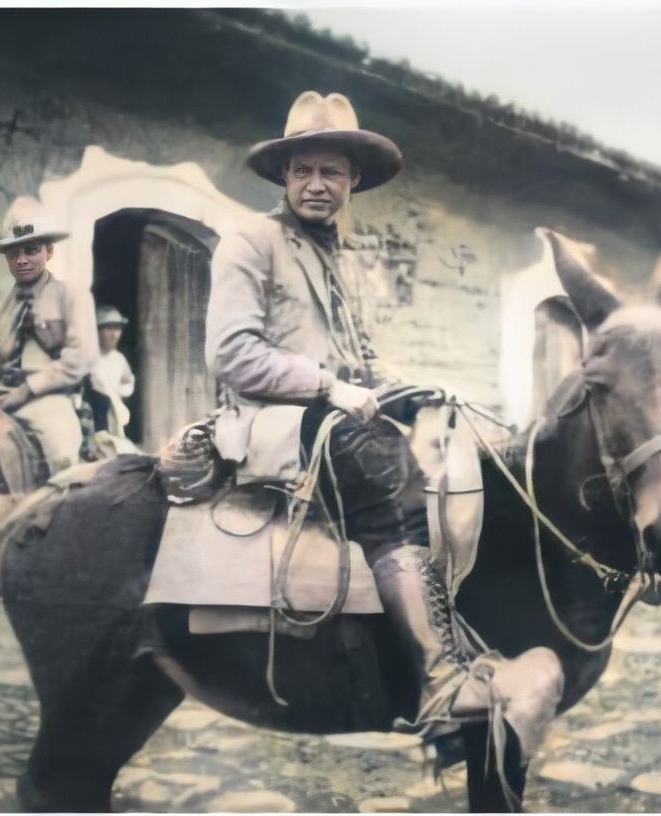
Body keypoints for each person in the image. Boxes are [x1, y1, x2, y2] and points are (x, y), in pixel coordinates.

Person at [205, 91, 562, 752]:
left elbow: (356, 360)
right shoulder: (248, 241)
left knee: (454, 459)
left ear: (353, 180)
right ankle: (436, 680)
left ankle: (454, 632)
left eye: (331, 171)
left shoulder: (337, 257)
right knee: (383, 463)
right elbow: (231, 355)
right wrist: (331, 387)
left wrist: (403, 386)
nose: (316, 184)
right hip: (270, 422)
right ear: (284, 176)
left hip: (330, 414)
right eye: (303, 170)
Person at [0, 215, 99, 474]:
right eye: (13, 254)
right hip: (0, 392)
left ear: (49, 251)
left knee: (61, 452)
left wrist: (27, 389)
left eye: (31, 250)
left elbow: (82, 356)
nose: (21, 259)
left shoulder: (69, 295)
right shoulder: (1, 305)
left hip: (49, 396)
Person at [87, 305, 135, 437]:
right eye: (109, 328)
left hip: (115, 413)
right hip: (94, 416)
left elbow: (128, 381)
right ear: (97, 330)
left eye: (117, 328)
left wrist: (118, 392)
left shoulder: (119, 359)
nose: (114, 334)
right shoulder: (88, 357)